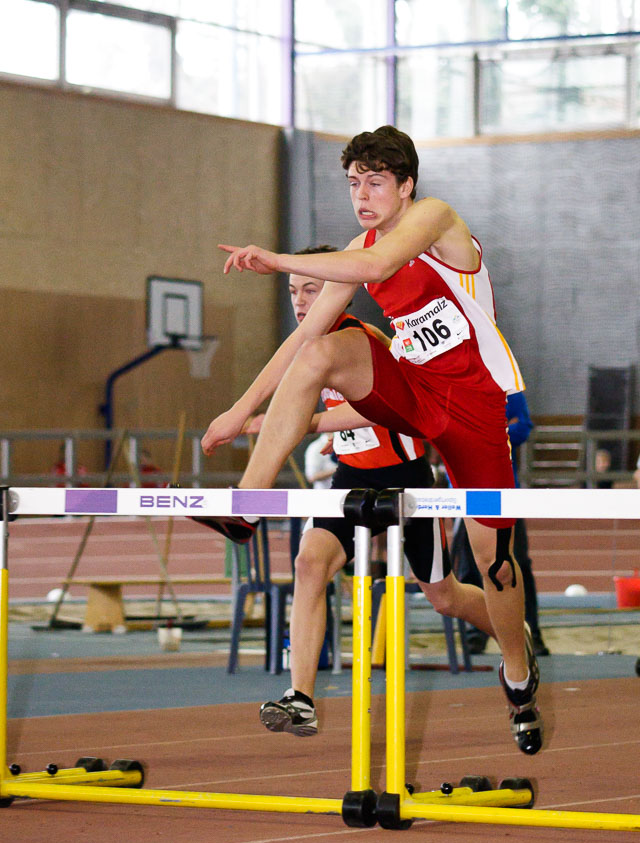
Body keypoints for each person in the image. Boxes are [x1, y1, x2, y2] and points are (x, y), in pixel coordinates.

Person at [202, 125, 543, 756]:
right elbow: (302, 339)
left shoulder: (436, 219)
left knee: (493, 562)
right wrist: (238, 408)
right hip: (413, 391)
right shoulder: (359, 244)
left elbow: (378, 264)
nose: (362, 195)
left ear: (406, 186)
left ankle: (518, 674)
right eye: (354, 183)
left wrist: (277, 259)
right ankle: (248, 503)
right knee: (322, 350)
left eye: (376, 182)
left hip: (473, 407)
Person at [250, 248, 495, 737]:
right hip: (350, 478)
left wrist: (307, 421)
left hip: (405, 479)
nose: (300, 302)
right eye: (293, 291)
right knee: (308, 563)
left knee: (443, 596)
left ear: (336, 290)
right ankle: (301, 697)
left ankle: (513, 635)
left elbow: (385, 410)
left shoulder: (362, 340)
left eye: (311, 289)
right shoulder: (304, 348)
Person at [452, 391, 550, 657]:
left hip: (504, 489)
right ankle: (476, 634)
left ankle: (532, 632)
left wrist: (487, 434)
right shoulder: (444, 378)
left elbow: (523, 426)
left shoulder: (506, 384)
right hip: (463, 492)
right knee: (471, 566)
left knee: (517, 564)